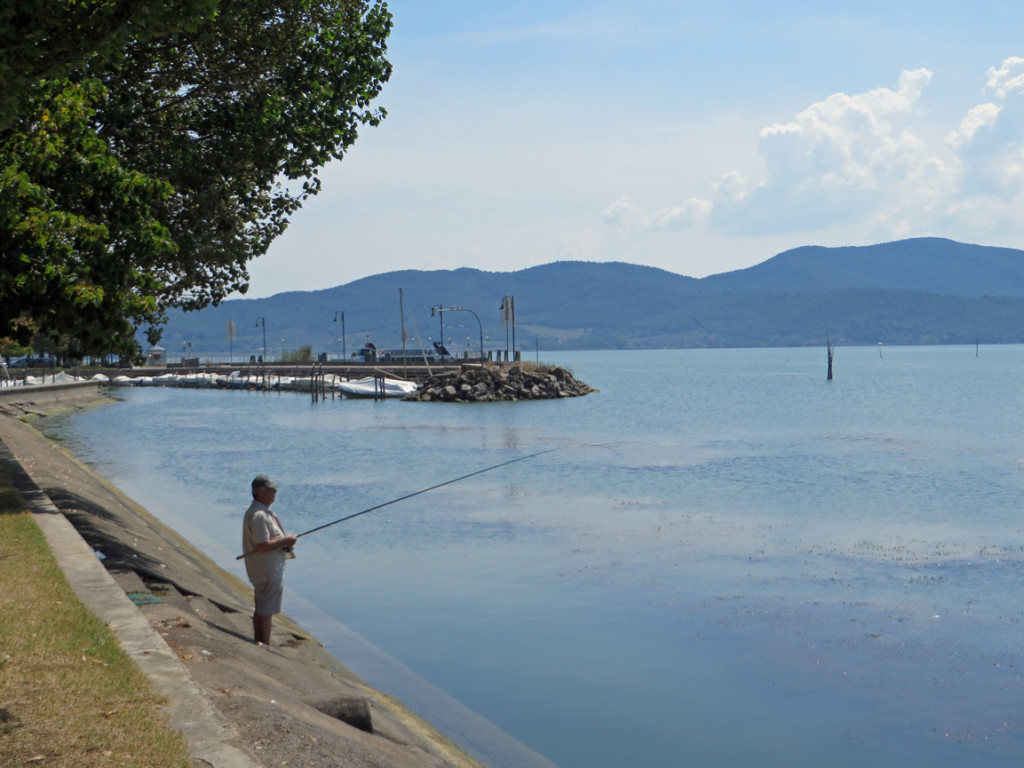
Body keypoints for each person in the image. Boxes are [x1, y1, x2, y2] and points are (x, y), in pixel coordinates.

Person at [242, 475, 298, 645]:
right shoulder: (259, 515)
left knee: (263, 608)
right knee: (265, 610)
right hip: (267, 571)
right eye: (271, 489)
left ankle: (259, 641)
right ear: (261, 492)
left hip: (267, 569)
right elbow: (262, 546)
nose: (275, 492)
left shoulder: (261, 511)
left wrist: (284, 542)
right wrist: (286, 540)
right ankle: (264, 645)